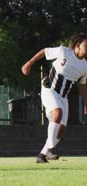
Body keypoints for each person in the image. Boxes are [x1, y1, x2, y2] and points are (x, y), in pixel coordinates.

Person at [21, 33, 87, 163]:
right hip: (49, 89)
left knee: (61, 129)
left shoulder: (85, 66)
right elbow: (44, 51)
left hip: (63, 96)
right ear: (78, 45)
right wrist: (29, 63)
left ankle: (42, 155)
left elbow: (83, 85)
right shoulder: (63, 51)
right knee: (58, 112)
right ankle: (51, 149)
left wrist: (86, 103)